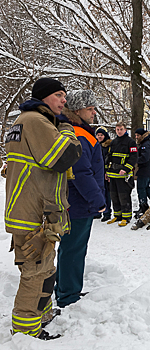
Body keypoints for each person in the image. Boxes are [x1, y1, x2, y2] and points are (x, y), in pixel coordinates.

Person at [5, 78, 81, 339]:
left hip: (35, 210)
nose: (64, 101)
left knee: (46, 269)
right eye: (59, 95)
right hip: (33, 213)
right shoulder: (35, 121)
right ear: (44, 97)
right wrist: (68, 130)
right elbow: (64, 156)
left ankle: (42, 314)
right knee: (35, 272)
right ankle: (26, 333)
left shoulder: (25, 122)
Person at [55, 90, 106, 308]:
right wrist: (98, 200)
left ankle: (66, 289)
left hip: (76, 201)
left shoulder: (81, 131)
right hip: (77, 203)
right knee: (74, 249)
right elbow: (80, 172)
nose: (94, 112)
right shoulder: (78, 134)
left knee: (72, 248)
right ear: (77, 111)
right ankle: (68, 295)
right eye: (90, 109)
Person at [106, 122, 138, 226]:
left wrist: (126, 169)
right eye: (117, 129)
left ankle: (126, 217)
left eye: (121, 129)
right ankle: (117, 215)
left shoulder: (131, 142)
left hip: (124, 175)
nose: (119, 131)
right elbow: (109, 157)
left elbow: (134, 158)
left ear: (125, 130)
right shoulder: (114, 142)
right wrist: (107, 171)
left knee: (123, 196)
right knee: (114, 195)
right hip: (113, 174)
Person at [134, 128, 150, 218]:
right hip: (149, 170)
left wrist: (134, 160)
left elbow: (145, 158)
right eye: (136, 135)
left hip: (146, 170)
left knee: (141, 188)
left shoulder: (146, 144)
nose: (136, 137)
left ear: (142, 135)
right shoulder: (146, 142)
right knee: (145, 187)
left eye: (138, 135)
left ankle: (143, 206)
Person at [95, 127, 113, 221]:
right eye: (98, 135)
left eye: (101, 135)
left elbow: (109, 159)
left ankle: (107, 212)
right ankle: (98, 211)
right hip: (96, 173)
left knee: (106, 193)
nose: (100, 137)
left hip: (105, 172)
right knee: (97, 192)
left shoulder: (108, 146)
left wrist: (107, 172)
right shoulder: (95, 145)